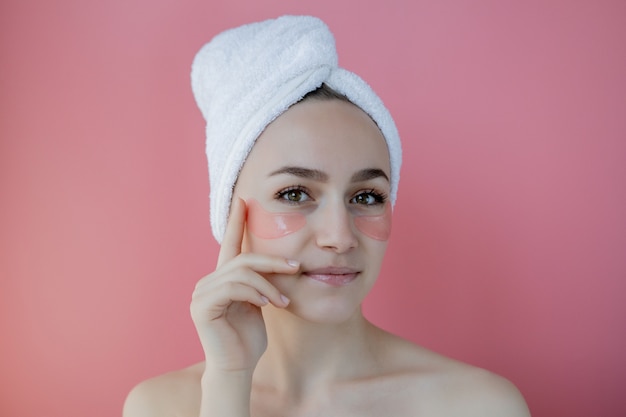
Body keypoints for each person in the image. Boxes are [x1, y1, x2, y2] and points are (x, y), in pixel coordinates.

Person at [123, 15, 530, 417]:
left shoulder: (480, 405)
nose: (340, 237)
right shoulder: (160, 407)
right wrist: (229, 379)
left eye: (367, 197)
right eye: (295, 193)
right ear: (230, 213)